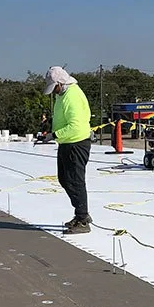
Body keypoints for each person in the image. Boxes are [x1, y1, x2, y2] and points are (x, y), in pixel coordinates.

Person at [43, 66, 92, 235]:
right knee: (64, 179)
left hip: (76, 144)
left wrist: (54, 135)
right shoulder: (62, 95)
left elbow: (76, 126)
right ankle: (81, 214)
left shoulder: (72, 96)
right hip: (66, 143)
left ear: (61, 82)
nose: (54, 92)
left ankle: (83, 219)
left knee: (75, 181)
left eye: (54, 88)